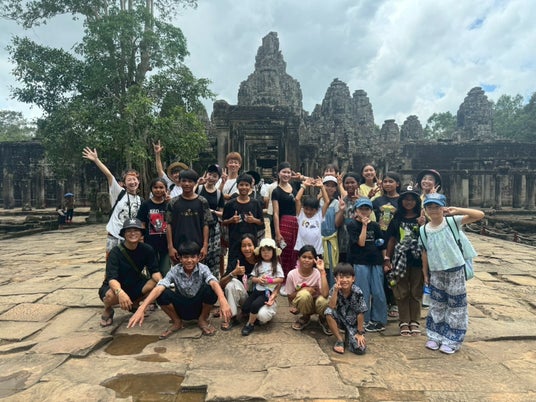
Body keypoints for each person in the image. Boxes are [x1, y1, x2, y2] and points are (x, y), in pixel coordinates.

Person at [419, 193, 485, 354]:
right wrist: (425, 273)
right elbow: (425, 253)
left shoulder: (452, 222)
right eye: (429, 207)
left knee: (457, 305)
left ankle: (452, 339)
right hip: (436, 271)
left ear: (443, 208)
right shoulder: (423, 230)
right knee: (437, 304)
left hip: (455, 269)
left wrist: (457, 210)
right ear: (425, 209)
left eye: (436, 206)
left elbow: (479, 215)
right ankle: (435, 336)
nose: (433, 210)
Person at [128, 241, 232, 339]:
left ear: (198, 258)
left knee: (210, 289)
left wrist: (222, 300)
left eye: (193, 257)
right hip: (181, 307)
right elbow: (160, 287)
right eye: (185, 257)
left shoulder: (203, 268)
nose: (189, 260)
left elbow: (213, 282)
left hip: (199, 307)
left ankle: (202, 319)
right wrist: (142, 308)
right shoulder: (175, 270)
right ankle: (177, 322)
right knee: (162, 293)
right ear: (180, 258)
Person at [98, 218, 162, 327]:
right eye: (129, 231)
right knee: (109, 296)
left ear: (141, 233)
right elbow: (112, 279)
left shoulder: (147, 249)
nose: (133, 233)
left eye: (136, 230)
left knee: (155, 284)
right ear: (124, 234)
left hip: (135, 283)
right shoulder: (115, 252)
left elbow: (154, 271)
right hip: (115, 286)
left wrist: (162, 283)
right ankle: (108, 309)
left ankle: (134, 304)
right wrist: (120, 293)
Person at [82, 147, 142, 258]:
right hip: (115, 235)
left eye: (134, 179)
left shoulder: (140, 200)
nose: (132, 182)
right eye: (129, 180)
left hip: (132, 237)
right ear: (124, 183)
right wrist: (96, 160)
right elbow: (109, 175)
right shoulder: (119, 193)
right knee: (112, 264)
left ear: (138, 182)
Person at [385, 186, 423, 336]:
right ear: (401, 201)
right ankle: (404, 321)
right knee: (402, 290)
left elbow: (428, 239)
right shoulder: (396, 219)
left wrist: (423, 225)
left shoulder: (422, 219)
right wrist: (387, 258)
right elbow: (391, 240)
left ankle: (415, 320)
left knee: (416, 290)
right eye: (406, 199)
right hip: (400, 258)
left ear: (416, 202)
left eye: (412, 200)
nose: (409, 202)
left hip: (417, 259)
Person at [220, 234, 280, 330]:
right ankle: (232, 317)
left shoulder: (264, 258)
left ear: (255, 246)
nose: (247, 249)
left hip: (264, 295)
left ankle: (251, 315)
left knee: (263, 316)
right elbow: (221, 284)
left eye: (250, 245)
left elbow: (279, 280)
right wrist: (233, 273)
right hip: (247, 298)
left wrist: (274, 295)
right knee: (231, 283)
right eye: (243, 246)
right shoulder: (238, 261)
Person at [346, 197, 388, 332]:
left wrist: (385, 261)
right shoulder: (352, 225)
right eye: (361, 209)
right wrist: (364, 226)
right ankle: (363, 319)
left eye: (367, 209)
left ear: (371, 211)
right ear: (356, 210)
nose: (364, 211)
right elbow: (361, 243)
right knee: (362, 291)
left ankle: (379, 320)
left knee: (378, 291)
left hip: (376, 261)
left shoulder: (375, 226)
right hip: (360, 262)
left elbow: (381, 244)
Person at [166, 169, 212, 264]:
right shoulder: (173, 202)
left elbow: (206, 224)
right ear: (180, 182)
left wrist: (205, 246)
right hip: (178, 246)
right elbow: (168, 224)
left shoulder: (202, 202)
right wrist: (170, 247)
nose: (187, 184)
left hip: (198, 246)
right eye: (184, 181)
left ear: (195, 183)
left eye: (190, 181)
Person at [241, 238, 285, 336]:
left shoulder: (276, 265)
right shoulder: (258, 264)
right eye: (263, 250)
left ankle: (250, 324)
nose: (266, 253)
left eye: (269, 250)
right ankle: (255, 318)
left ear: (273, 252)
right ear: (260, 252)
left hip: (267, 291)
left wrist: (270, 281)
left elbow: (281, 279)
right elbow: (252, 277)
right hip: (257, 289)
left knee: (255, 305)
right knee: (245, 308)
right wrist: (258, 279)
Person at [372, 171, 401, 318]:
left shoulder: (402, 200)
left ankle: (394, 301)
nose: (388, 184)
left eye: (391, 181)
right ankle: (382, 301)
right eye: (385, 181)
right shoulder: (377, 201)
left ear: (398, 184)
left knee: (394, 271)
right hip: (380, 238)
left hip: (396, 238)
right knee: (381, 270)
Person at [284, 245, 330, 333]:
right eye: (304, 257)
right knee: (304, 294)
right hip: (303, 303)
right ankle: (305, 317)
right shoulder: (292, 274)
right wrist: (305, 290)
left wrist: (322, 272)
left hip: (317, 304)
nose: (307, 260)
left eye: (310, 258)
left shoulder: (317, 273)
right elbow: (290, 296)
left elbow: (325, 294)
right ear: (298, 258)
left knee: (325, 300)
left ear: (314, 260)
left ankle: (322, 318)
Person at [325, 263, 367, 355]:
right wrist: (336, 291)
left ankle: (349, 335)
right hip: (340, 319)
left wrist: (360, 333)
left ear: (353, 279)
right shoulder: (334, 289)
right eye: (341, 277)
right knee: (328, 312)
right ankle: (340, 340)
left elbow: (361, 313)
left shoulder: (357, 291)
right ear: (336, 279)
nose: (344, 280)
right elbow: (331, 306)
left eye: (348, 277)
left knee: (360, 349)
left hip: (353, 323)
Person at [222, 174, 265, 264]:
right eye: (241, 185)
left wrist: (254, 220)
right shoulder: (230, 204)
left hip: (251, 242)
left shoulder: (255, 203)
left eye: (246, 185)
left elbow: (261, 222)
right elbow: (224, 222)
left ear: (250, 186)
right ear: (237, 186)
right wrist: (231, 220)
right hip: (234, 240)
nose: (244, 187)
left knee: (251, 264)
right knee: (234, 265)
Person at [136, 178, 170, 276]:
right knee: (152, 271)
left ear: (166, 189)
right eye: (155, 187)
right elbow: (142, 223)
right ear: (151, 189)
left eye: (161, 187)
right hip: (149, 243)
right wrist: (141, 240)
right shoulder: (146, 205)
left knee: (165, 270)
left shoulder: (169, 204)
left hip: (165, 243)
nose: (158, 190)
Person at [196, 164, 225, 278]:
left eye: (215, 176)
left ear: (218, 178)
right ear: (206, 174)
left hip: (213, 227)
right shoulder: (198, 189)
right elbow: (188, 198)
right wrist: (197, 183)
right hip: (198, 226)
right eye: (210, 174)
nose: (211, 177)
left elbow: (222, 213)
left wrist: (212, 211)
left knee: (213, 254)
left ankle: (212, 279)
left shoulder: (218, 194)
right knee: (198, 252)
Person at [272, 161, 300, 277]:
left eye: (289, 172)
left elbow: (298, 205)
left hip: (295, 223)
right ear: (278, 173)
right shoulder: (276, 191)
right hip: (283, 223)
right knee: (284, 252)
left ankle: (292, 278)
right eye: (284, 172)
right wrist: (277, 233)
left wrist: (299, 177)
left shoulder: (294, 188)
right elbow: (275, 213)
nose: (286, 175)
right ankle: (282, 278)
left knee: (295, 251)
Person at [294, 177, 330, 259]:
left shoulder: (319, 215)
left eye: (312, 210)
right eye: (306, 209)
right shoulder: (301, 214)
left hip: (317, 251)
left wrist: (322, 187)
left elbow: (327, 201)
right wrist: (304, 186)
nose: (308, 212)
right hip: (301, 250)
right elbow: (297, 199)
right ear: (303, 208)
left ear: (316, 210)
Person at [320, 175, 342, 287]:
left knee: (332, 265)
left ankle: (333, 288)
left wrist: (342, 210)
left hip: (331, 238)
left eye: (333, 186)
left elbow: (337, 223)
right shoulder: (317, 201)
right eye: (327, 185)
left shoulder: (337, 203)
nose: (330, 188)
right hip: (318, 239)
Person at [336, 172, 361, 263]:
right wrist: (341, 210)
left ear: (358, 184)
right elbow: (337, 224)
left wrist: (359, 204)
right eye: (347, 183)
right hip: (343, 242)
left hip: (360, 242)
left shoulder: (364, 201)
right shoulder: (341, 201)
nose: (350, 185)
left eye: (352, 182)